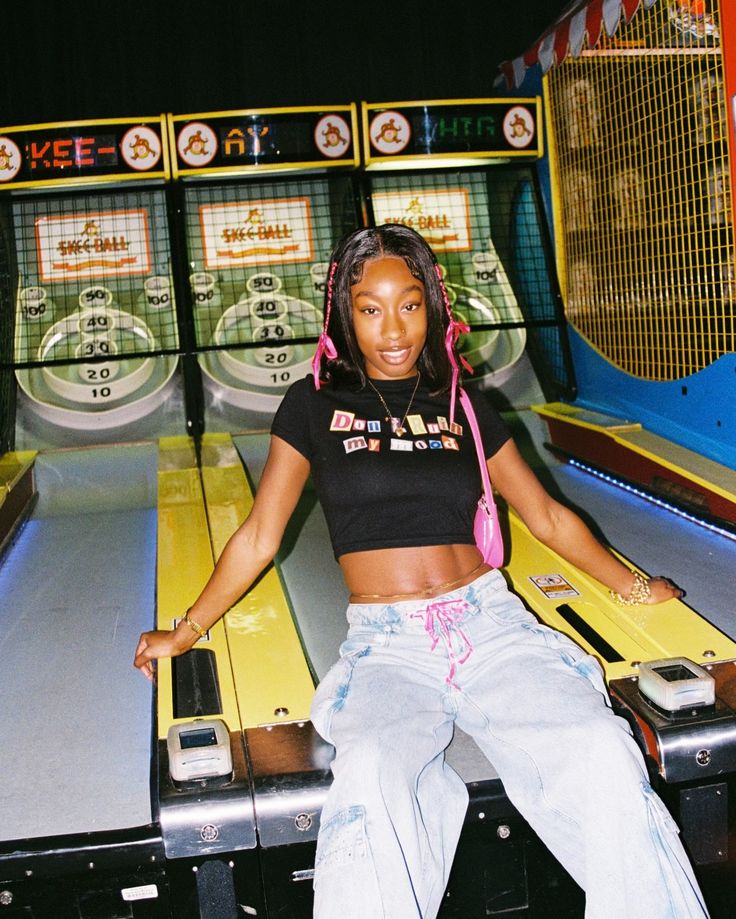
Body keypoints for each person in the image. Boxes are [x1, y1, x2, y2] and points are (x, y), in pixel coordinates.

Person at [134, 225, 708, 919]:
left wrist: (635, 586)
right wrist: (185, 628)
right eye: (370, 308)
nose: (393, 327)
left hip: (490, 625)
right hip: (388, 644)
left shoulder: (465, 404)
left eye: (408, 304)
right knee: (372, 774)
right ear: (343, 315)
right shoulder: (312, 406)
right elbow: (259, 536)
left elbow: (547, 517)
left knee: (603, 753)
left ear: (433, 306)